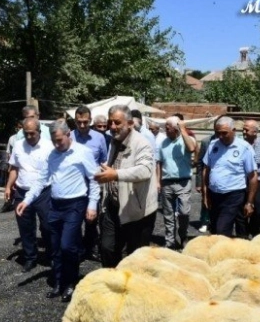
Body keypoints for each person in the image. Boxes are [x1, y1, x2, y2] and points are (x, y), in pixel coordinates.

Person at [16, 120, 100, 303]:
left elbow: (94, 179)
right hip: (55, 205)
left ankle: (71, 282)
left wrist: (92, 205)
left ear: (68, 134)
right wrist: (26, 200)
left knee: (67, 245)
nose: (57, 144)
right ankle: (59, 282)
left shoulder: (83, 152)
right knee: (54, 247)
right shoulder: (52, 155)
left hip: (75, 205)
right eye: (54, 141)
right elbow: (41, 180)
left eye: (60, 140)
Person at [94, 105, 157, 267]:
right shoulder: (114, 141)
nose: (112, 127)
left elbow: (145, 171)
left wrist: (115, 174)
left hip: (137, 211)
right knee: (107, 248)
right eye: (110, 123)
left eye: (117, 122)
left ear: (129, 123)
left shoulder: (142, 143)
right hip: (113, 206)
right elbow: (110, 166)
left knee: (135, 257)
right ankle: (112, 283)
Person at [6, 117, 54, 273]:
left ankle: (51, 255)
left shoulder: (49, 146)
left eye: (32, 133)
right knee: (25, 227)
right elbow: (14, 168)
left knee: (47, 225)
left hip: (43, 192)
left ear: (39, 132)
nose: (29, 136)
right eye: (26, 133)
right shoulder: (18, 146)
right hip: (22, 191)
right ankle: (30, 258)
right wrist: (8, 186)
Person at [201, 116, 258, 237]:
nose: (220, 136)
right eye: (218, 133)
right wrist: (205, 195)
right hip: (214, 194)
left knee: (222, 229)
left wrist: (249, 202)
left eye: (224, 133)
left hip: (233, 195)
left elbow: (253, 176)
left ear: (234, 130)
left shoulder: (244, 148)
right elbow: (206, 169)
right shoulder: (213, 145)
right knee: (215, 229)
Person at [73, 106, 108, 261]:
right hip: (74, 184)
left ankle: (90, 247)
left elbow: (103, 160)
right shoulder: (70, 137)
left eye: (85, 122)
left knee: (92, 217)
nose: (82, 126)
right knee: (74, 218)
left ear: (90, 120)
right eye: (79, 122)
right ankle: (77, 249)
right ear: (75, 121)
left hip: (93, 184)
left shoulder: (99, 138)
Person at [158, 116, 196, 250]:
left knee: (184, 212)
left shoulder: (187, 140)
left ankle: (183, 235)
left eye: (167, 128)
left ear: (175, 129)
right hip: (167, 182)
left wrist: (183, 129)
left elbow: (191, 148)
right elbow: (159, 163)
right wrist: (158, 181)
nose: (165, 131)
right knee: (168, 214)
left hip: (183, 182)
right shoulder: (162, 143)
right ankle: (170, 241)